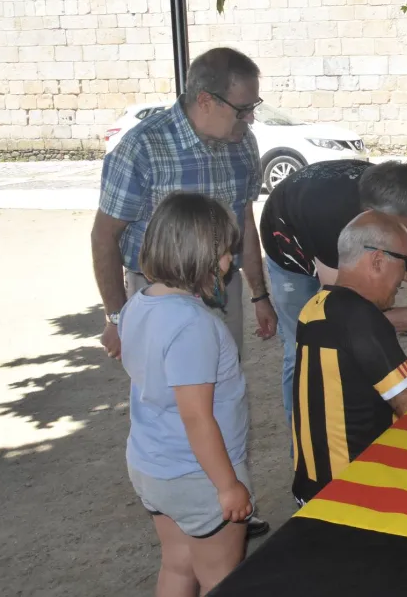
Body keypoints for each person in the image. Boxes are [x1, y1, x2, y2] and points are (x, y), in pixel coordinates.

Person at [93, 47, 274, 536]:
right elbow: (105, 236)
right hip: (158, 295)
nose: (250, 119)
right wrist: (116, 317)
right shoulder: (142, 147)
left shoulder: (241, 143)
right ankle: (187, 496)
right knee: (175, 403)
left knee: (222, 392)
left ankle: (230, 495)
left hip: (221, 287)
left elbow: (244, 220)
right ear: (206, 100)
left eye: (253, 107)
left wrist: (258, 294)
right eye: (243, 108)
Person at [259, 159, 407, 431]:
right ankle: (303, 438)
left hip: (328, 205)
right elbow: (342, 318)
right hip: (289, 234)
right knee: (303, 344)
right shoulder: (334, 221)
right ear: (372, 218)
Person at [120, 192, 254, 595]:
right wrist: (227, 485)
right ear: (201, 255)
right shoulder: (193, 325)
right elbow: (197, 417)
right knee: (222, 578)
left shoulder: (138, 303)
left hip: (153, 465)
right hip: (198, 477)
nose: (230, 260)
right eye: (226, 251)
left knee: (178, 566)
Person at [291, 210, 407, 504]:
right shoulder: (361, 316)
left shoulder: (316, 307)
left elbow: (368, 382)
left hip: (311, 490)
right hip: (350, 493)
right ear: (378, 260)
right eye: (406, 263)